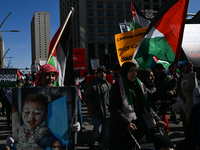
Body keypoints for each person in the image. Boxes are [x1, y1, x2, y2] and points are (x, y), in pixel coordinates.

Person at [6, 64, 80, 149]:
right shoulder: (30, 94)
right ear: (40, 77)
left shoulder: (61, 94)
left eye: (53, 75)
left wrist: (72, 127)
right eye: (47, 75)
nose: (51, 78)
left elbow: (54, 143)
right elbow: (16, 134)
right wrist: (11, 139)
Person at [109, 62, 167, 150]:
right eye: (131, 71)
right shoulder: (117, 87)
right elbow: (114, 108)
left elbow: (147, 105)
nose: (134, 73)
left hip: (139, 127)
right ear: (125, 72)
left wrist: (157, 119)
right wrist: (127, 123)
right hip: (122, 129)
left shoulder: (140, 85)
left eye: (135, 71)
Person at [84, 65, 111, 150]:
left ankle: (105, 147)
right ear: (97, 74)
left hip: (107, 113)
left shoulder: (108, 85)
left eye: (103, 72)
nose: (102, 74)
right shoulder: (92, 84)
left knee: (106, 132)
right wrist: (94, 105)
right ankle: (90, 141)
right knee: (97, 131)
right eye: (100, 72)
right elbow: (87, 98)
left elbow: (111, 97)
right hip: (96, 113)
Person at [153, 63, 177, 134]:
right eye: (158, 69)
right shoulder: (153, 77)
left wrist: (172, 91)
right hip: (154, 100)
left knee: (163, 116)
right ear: (155, 69)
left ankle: (165, 131)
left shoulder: (167, 78)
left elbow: (175, 87)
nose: (159, 71)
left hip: (164, 101)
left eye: (161, 69)